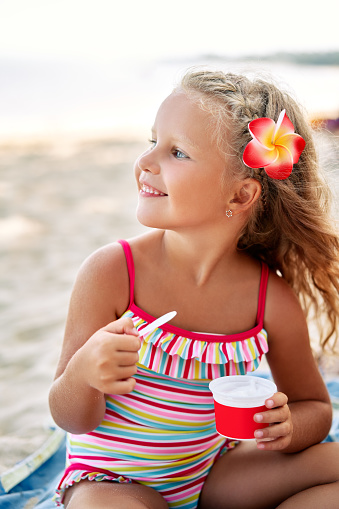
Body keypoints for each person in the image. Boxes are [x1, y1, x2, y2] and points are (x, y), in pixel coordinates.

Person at [49, 68, 339, 509]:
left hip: (215, 474)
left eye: (177, 152)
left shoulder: (268, 298)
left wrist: (288, 426)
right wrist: (84, 374)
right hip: (114, 478)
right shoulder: (113, 271)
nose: (146, 162)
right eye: (153, 142)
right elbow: (69, 416)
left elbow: (314, 406)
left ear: (241, 196)